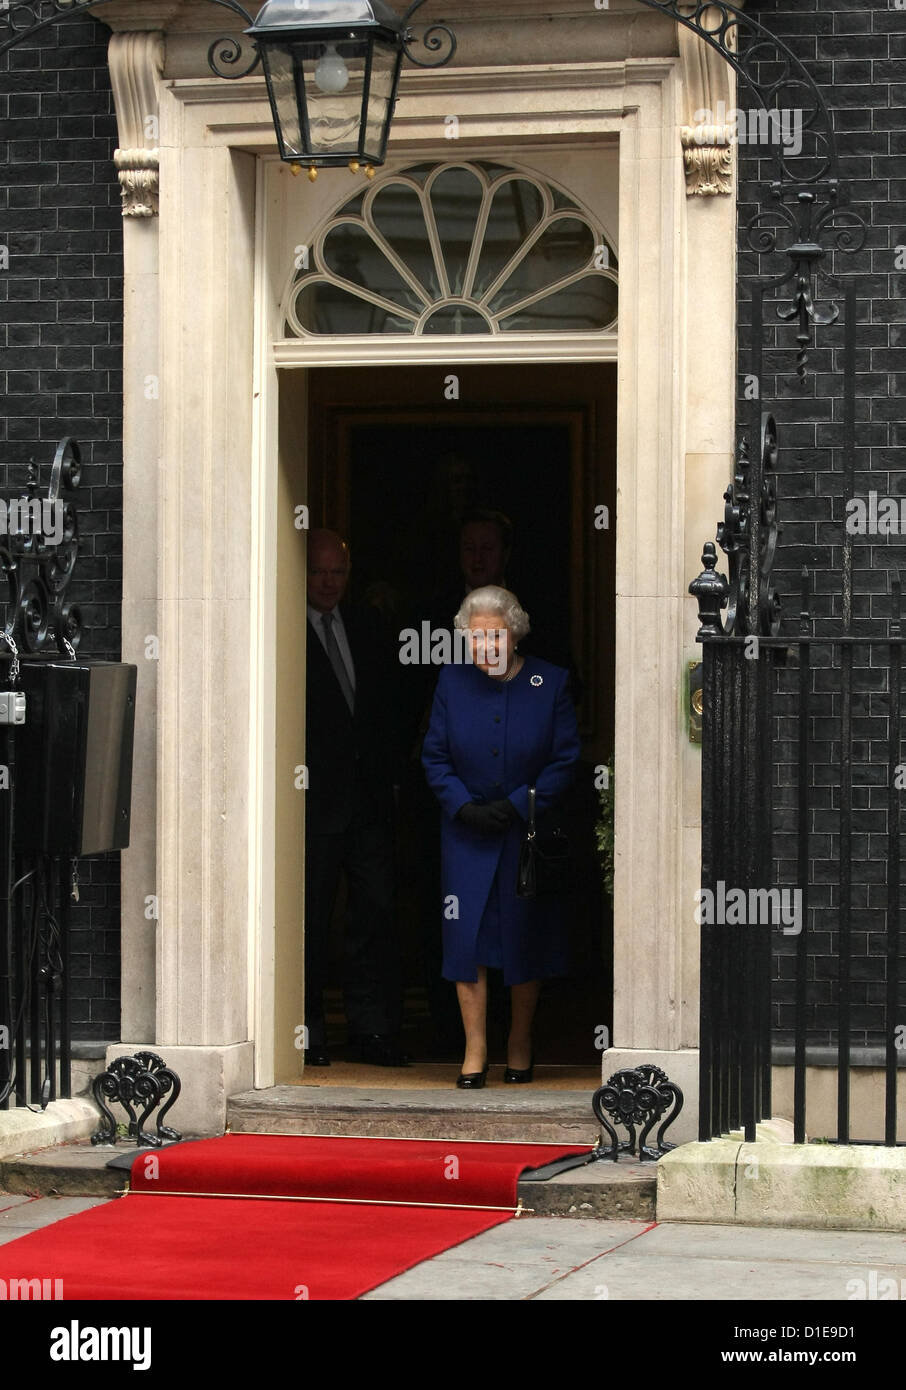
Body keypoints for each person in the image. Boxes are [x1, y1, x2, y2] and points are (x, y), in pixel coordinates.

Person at [421, 584, 580, 1087]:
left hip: (524, 834)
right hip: (465, 834)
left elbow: (565, 759)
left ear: (513, 634)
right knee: (466, 938)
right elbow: (435, 756)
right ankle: (475, 1047)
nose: (485, 645)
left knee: (523, 935)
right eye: (475, 636)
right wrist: (462, 806)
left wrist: (515, 805)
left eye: (494, 635)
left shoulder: (549, 681)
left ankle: (519, 1041)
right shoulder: (451, 682)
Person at [304, 528, 408, 1067]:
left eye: (337, 572)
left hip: (367, 804)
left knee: (374, 915)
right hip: (310, 805)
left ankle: (372, 1031)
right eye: (319, 571)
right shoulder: (282, 628)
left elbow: (385, 713)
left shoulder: (368, 626)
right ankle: (308, 1032)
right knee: (311, 920)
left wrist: (390, 784)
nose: (328, 581)